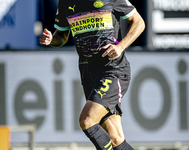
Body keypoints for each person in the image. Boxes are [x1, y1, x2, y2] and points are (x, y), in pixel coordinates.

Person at [39, 0, 145, 149]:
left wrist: (120, 46)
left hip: (112, 70)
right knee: (116, 139)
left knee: (87, 121)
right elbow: (61, 36)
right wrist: (51, 39)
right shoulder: (65, 2)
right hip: (89, 74)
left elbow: (139, 22)